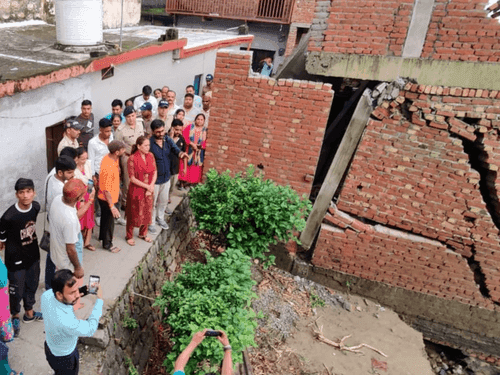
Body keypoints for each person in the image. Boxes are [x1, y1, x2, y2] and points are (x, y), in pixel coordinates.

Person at [0, 178, 43, 339]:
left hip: (33, 255)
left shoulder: (36, 207)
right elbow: (1, 242)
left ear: (34, 192)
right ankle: (14, 317)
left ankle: (30, 313)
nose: (25, 195)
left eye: (28, 191)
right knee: (16, 290)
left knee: (32, 284)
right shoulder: (8, 217)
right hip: (15, 260)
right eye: (21, 192)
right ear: (17, 194)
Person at [41, 269, 103, 375]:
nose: (77, 295)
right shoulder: (67, 322)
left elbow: (66, 300)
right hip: (65, 358)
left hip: (50, 346)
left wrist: (83, 290)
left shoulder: (46, 296)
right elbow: (90, 329)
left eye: (77, 290)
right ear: (59, 294)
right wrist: (100, 300)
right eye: (72, 293)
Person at [49, 179, 92, 282]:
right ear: (78, 198)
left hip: (56, 253)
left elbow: (73, 216)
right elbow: (71, 250)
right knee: (71, 288)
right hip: (66, 263)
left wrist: (89, 203)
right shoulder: (70, 221)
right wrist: (77, 268)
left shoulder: (57, 199)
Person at [45, 156, 77, 290]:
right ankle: (57, 290)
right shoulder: (61, 190)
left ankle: (48, 285)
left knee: (52, 257)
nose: (72, 175)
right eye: (69, 172)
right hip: (59, 227)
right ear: (60, 173)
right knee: (60, 263)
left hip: (54, 223)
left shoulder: (53, 178)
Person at [150, 120, 186, 231]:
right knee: (152, 202)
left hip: (166, 177)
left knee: (163, 200)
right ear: (152, 132)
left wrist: (181, 154)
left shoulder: (167, 139)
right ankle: (151, 223)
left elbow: (176, 149)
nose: (161, 134)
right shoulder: (149, 143)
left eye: (162, 131)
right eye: (158, 132)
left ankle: (160, 218)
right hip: (154, 179)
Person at [126, 136, 157, 245]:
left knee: (147, 210)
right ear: (139, 146)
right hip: (136, 189)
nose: (148, 147)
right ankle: (129, 235)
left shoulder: (151, 156)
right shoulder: (132, 158)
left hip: (149, 189)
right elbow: (132, 178)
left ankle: (143, 233)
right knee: (133, 211)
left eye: (149, 145)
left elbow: (154, 172)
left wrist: (151, 186)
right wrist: (147, 186)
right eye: (145, 145)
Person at [114, 106, 145, 210]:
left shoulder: (140, 123)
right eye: (128, 117)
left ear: (136, 114)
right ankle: (125, 202)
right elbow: (117, 150)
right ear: (125, 118)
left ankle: (137, 199)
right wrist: (117, 165)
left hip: (140, 156)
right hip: (127, 157)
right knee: (128, 182)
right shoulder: (120, 130)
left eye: (132, 116)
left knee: (140, 179)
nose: (131, 118)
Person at [97, 141, 126, 253]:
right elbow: (107, 191)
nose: (124, 151)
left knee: (105, 219)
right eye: (123, 149)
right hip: (106, 198)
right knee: (109, 222)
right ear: (117, 152)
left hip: (108, 196)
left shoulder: (112, 158)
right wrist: (112, 206)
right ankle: (108, 244)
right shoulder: (107, 166)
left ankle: (103, 237)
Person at [74, 147, 96, 252]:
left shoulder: (87, 165)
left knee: (89, 217)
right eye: (82, 159)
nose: (84, 161)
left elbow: (90, 179)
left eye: (86, 158)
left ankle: (87, 242)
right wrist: (82, 199)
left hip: (89, 192)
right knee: (80, 218)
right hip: (79, 196)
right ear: (76, 159)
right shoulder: (73, 170)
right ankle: (79, 241)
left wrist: (92, 190)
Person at [179, 113, 207, 187]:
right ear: (195, 120)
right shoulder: (190, 127)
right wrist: (191, 144)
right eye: (198, 119)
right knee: (186, 164)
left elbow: (206, 142)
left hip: (198, 152)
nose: (199, 121)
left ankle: (193, 182)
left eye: (201, 120)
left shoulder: (205, 131)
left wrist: (200, 146)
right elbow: (184, 135)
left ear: (204, 121)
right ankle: (183, 182)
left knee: (196, 167)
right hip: (189, 149)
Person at [169, 119, 187, 197]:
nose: (178, 132)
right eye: (176, 129)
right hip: (166, 166)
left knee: (172, 185)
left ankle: (168, 197)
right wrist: (171, 137)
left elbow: (184, 155)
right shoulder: (166, 138)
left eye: (180, 130)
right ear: (172, 128)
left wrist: (185, 168)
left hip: (175, 166)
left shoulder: (182, 140)